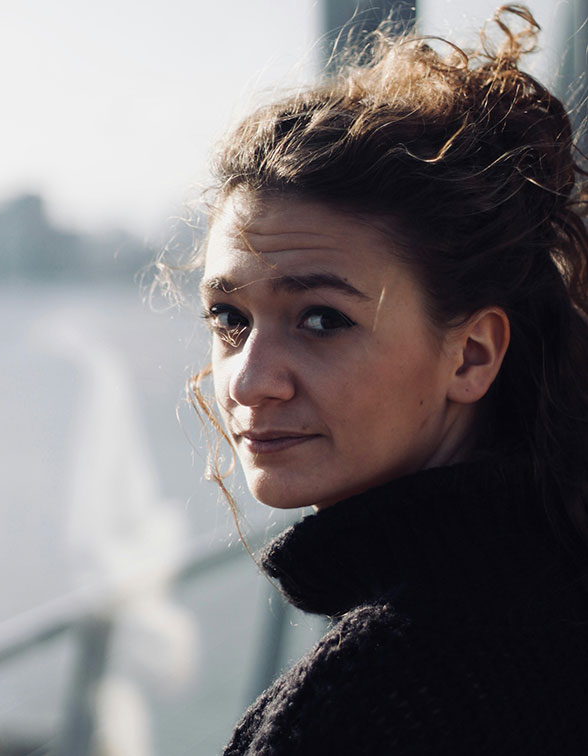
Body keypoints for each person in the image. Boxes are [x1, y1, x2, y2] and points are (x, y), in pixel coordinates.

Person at [173, 5, 588, 753]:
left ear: (472, 355)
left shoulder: (376, 701)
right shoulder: (548, 571)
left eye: (323, 319)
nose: (249, 381)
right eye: (230, 319)